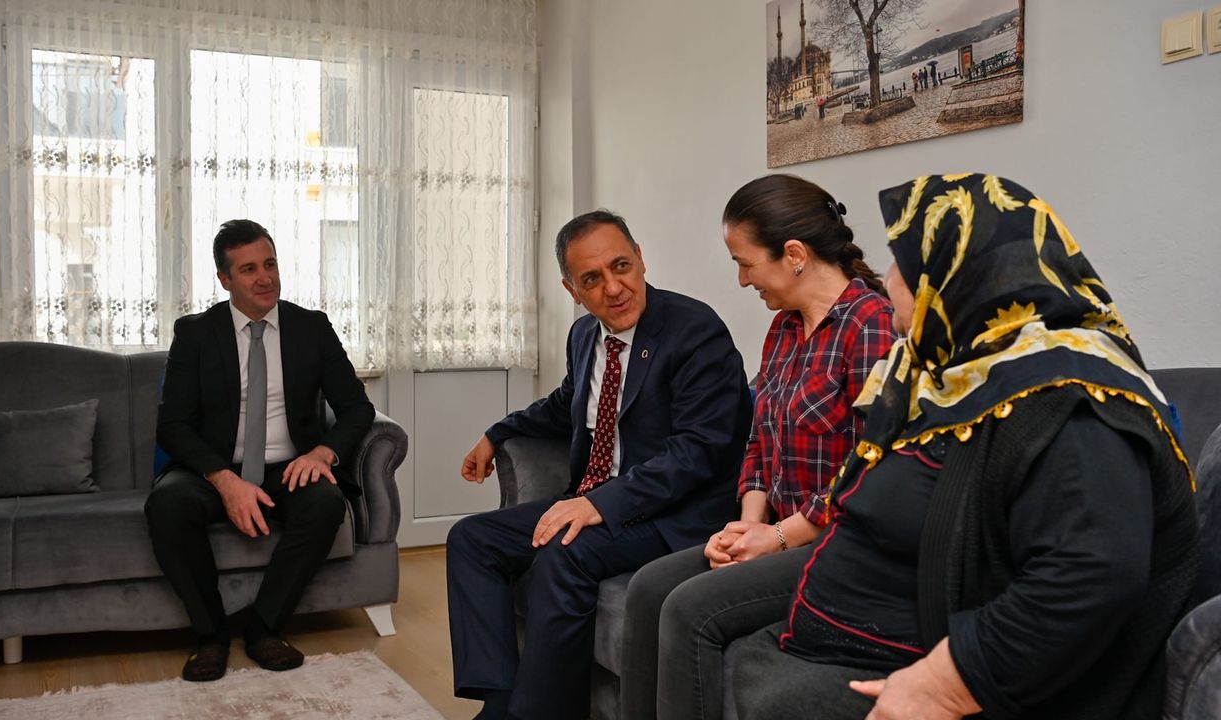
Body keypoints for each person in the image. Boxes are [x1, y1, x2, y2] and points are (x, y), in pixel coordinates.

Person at [724, 173, 1198, 719]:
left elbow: (1093, 575)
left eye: (903, 264)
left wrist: (946, 685)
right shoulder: (966, 376)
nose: (887, 280)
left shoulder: (1072, 397)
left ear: (958, 274)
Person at [446, 210, 752, 720]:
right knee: (472, 540)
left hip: (672, 511)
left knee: (564, 551)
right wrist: (497, 433)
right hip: (597, 497)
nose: (613, 288)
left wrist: (598, 505)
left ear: (641, 259)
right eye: (592, 279)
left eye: (621, 266)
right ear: (572, 290)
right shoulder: (585, 334)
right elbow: (566, 404)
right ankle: (499, 700)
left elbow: (698, 451)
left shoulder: (694, 330)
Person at [620, 175, 896, 720]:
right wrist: (748, 524)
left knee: (689, 610)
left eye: (745, 264)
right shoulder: (784, 329)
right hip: (775, 532)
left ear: (794, 255)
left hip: (838, 545)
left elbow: (873, 468)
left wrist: (778, 536)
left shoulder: (871, 327)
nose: (742, 280)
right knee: (648, 588)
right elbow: (758, 440)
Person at [146, 219, 376, 682]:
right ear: (225, 279)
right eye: (248, 269)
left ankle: (264, 628)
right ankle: (211, 637)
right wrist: (224, 480)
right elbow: (173, 426)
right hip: (213, 468)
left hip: (288, 467)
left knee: (326, 503)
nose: (265, 278)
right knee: (167, 505)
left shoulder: (311, 328)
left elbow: (357, 408)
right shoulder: (195, 333)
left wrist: (322, 454)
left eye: (270, 264)